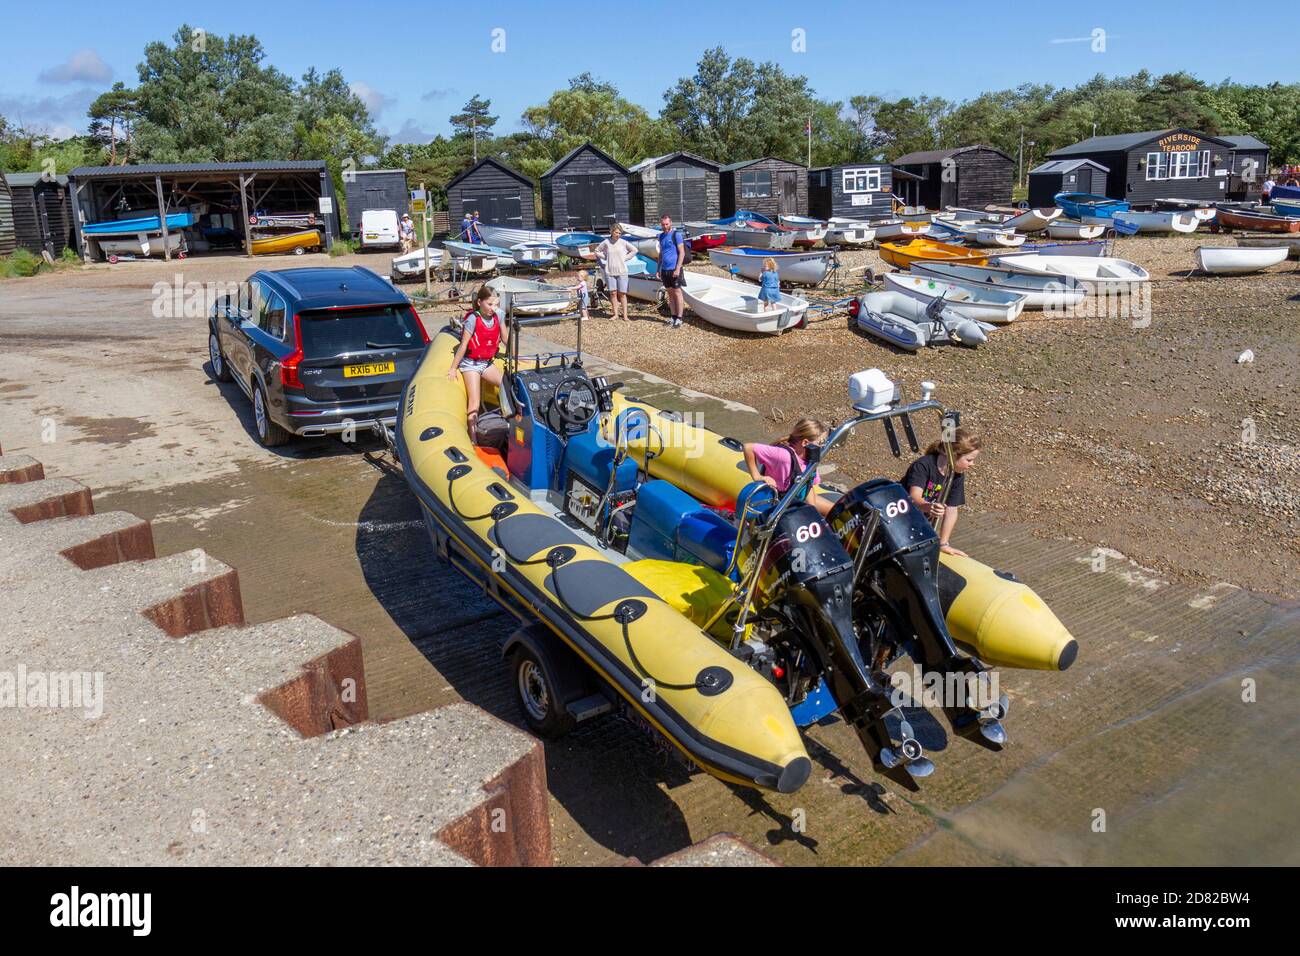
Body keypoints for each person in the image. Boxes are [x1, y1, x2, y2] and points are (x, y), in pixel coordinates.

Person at [903, 427, 981, 557]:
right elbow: (914, 497)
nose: (972, 464)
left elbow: (951, 510)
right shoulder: (924, 465)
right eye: (969, 460)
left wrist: (943, 543)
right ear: (953, 455)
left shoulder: (956, 475)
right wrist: (929, 507)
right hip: (901, 516)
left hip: (921, 525)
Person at [447, 285, 507, 439]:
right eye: (490, 304)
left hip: (486, 362)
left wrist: (516, 356)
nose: (493, 308)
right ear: (479, 302)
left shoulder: (499, 315)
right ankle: (473, 439)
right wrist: (453, 368)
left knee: (507, 387)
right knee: (474, 403)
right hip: (471, 364)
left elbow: (506, 339)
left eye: (496, 304)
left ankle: (507, 423)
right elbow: (464, 345)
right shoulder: (473, 319)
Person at [743, 419, 832, 517]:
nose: (823, 446)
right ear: (805, 443)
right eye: (821, 442)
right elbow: (748, 448)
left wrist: (812, 510)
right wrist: (757, 476)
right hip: (776, 502)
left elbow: (808, 485)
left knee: (836, 511)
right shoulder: (783, 456)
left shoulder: (810, 461)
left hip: (795, 498)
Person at [596, 224, 640, 320]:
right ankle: (615, 314)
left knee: (622, 294)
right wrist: (605, 257)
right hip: (610, 271)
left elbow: (634, 250)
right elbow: (597, 251)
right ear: (612, 232)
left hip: (622, 271)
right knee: (613, 293)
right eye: (616, 232)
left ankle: (625, 315)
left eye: (620, 233)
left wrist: (626, 257)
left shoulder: (623, 242)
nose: (618, 234)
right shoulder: (606, 242)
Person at [657, 215, 688, 328]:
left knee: (677, 293)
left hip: (674, 269)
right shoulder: (661, 236)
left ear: (670, 223)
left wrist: (677, 268)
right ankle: (673, 316)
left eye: (667, 224)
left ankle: (679, 318)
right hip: (664, 269)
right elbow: (661, 253)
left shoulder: (676, 235)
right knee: (670, 293)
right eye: (663, 224)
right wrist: (658, 268)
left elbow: (682, 252)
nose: (665, 226)